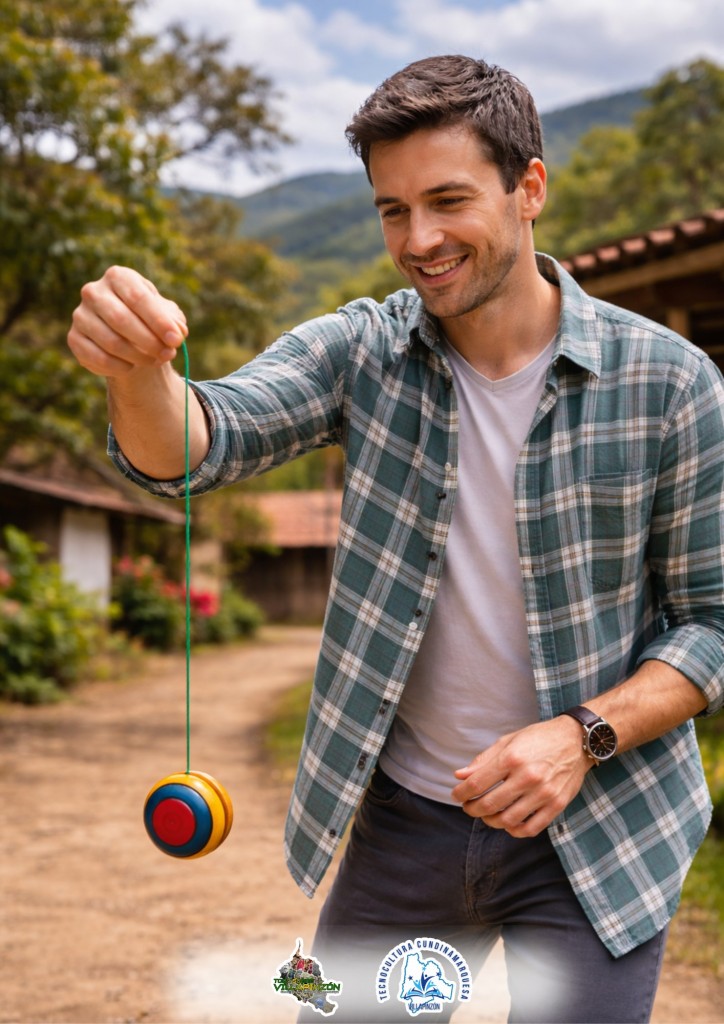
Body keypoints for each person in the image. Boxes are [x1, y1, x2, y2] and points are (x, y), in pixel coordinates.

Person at [67, 55, 723, 1023]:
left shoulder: (672, 383)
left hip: (602, 831)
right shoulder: (361, 350)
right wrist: (136, 372)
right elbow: (201, 441)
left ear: (529, 188)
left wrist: (581, 735)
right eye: (391, 210)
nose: (418, 241)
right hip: (402, 834)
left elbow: (712, 622)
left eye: (448, 200)